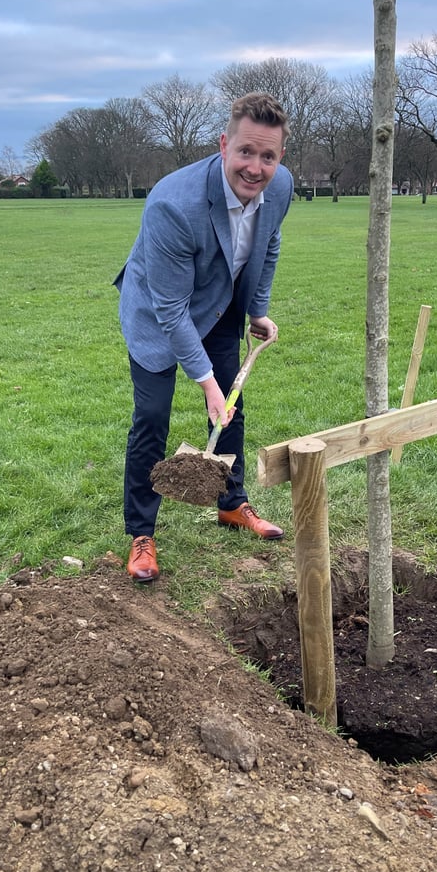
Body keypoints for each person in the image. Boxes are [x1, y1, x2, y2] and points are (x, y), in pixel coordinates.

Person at [115, 92, 293, 582]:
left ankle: (232, 503)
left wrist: (256, 309)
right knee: (152, 416)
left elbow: (269, 243)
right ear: (223, 145)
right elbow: (171, 311)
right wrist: (208, 384)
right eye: (245, 152)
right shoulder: (173, 204)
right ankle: (141, 533)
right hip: (157, 313)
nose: (255, 168)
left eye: (269, 156)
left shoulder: (280, 189)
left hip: (220, 306)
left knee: (232, 406)